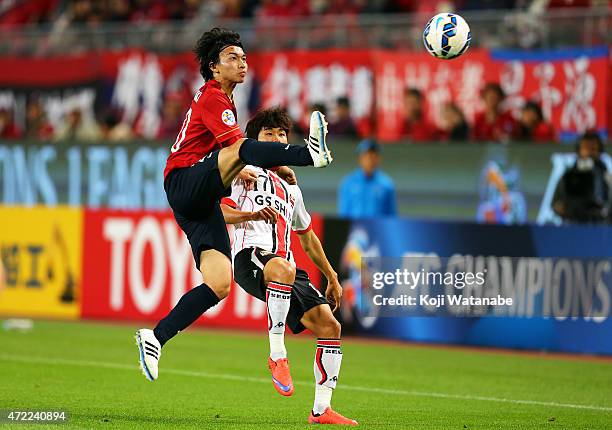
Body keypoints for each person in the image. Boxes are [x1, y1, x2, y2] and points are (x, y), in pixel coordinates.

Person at [135, 28, 333, 382]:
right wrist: (281, 160)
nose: (241, 63)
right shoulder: (213, 97)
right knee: (240, 148)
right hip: (183, 181)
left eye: (243, 57)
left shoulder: (223, 102)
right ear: (213, 67)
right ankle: (310, 152)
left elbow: (223, 151)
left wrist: (237, 170)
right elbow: (237, 149)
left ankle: (156, 337)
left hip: (198, 200)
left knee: (219, 284)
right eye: (232, 58)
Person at [221, 107, 357, 425]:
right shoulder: (242, 171)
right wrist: (250, 216)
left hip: (287, 270)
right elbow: (221, 213)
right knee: (283, 268)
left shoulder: (290, 187)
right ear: (253, 141)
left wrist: (333, 276)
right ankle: (277, 355)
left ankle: (321, 409)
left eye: (282, 134)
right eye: (268, 134)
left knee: (330, 326)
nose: (277, 139)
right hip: (251, 258)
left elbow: (307, 237)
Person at [552, 131, 610, 224]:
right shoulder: (568, 176)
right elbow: (555, 204)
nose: (589, 153)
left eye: (593, 149)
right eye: (586, 148)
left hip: (599, 225)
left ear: (600, 152)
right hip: (573, 224)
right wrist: (561, 208)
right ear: (579, 150)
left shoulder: (606, 176)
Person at [338, 139, 397, 218]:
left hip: (378, 229)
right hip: (355, 229)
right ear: (360, 158)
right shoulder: (348, 183)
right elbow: (343, 213)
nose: (370, 159)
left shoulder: (386, 184)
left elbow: (391, 215)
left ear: (378, 159)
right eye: (366, 155)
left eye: (373, 155)